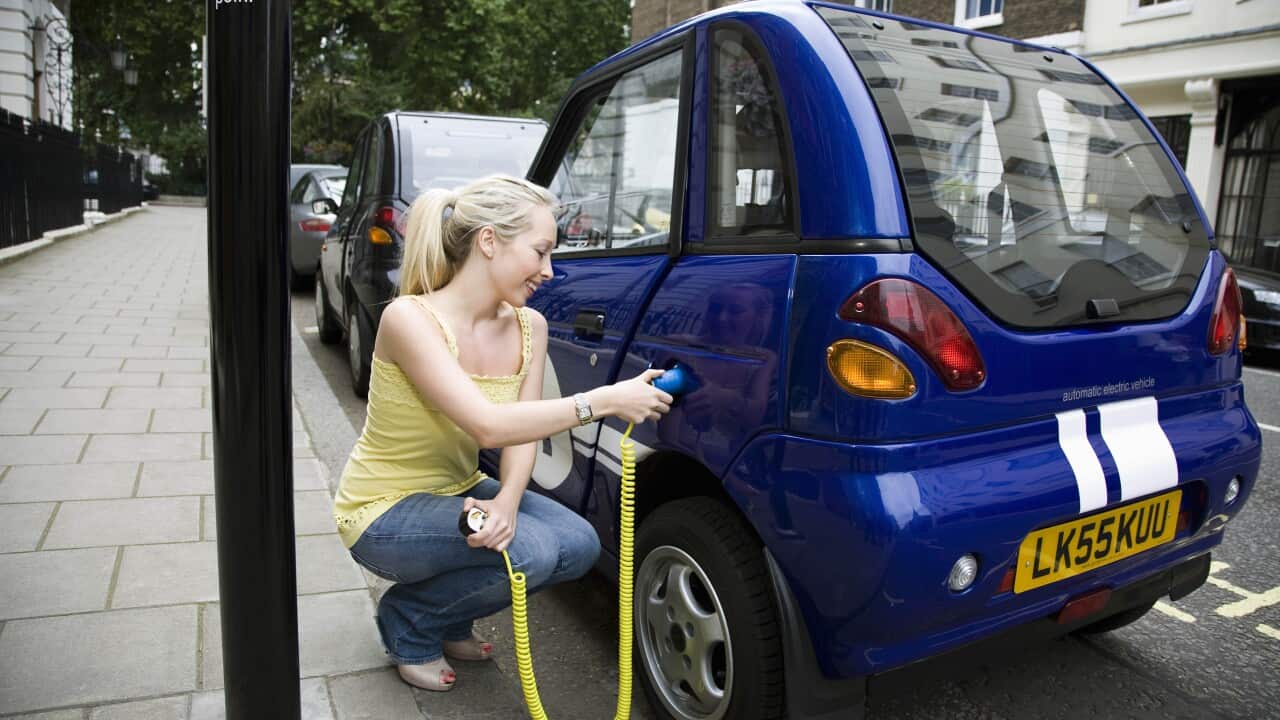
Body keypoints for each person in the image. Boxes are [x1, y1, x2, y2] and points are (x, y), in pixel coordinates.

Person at [332, 174, 673, 692]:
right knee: (532, 551)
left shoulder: (528, 325)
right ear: (489, 241)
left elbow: (520, 435)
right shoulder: (410, 319)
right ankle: (411, 621)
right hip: (384, 509)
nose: (549, 271)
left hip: (458, 488)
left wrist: (508, 502)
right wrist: (604, 400)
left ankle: (447, 616)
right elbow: (487, 424)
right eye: (540, 251)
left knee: (578, 544)